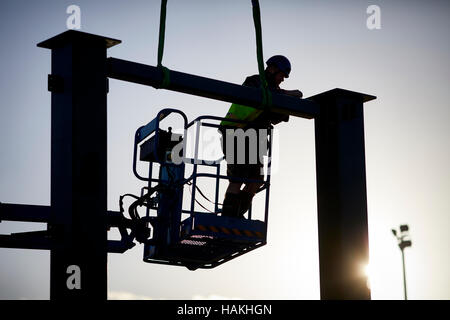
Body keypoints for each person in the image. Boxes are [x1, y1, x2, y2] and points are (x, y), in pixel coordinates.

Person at [219, 55, 303, 218]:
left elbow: (278, 115)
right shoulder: (255, 82)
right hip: (236, 133)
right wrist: (287, 94)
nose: (282, 79)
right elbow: (266, 95)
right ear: (272, 69)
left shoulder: (273, 92)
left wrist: (287, 100)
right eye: (281, 75)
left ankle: (236, 214)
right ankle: (227, 217)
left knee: (256, 179)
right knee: (238, 178)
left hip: (254, 138)